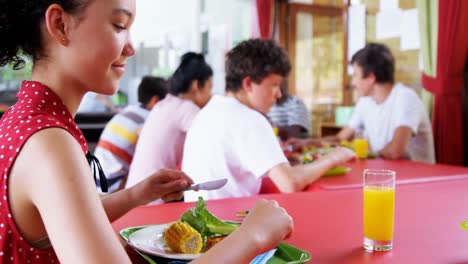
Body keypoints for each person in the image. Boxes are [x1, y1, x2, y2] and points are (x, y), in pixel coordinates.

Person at [0, 1, 293, 263]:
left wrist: (139, 194)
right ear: (60, 25)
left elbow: (59, 217)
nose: (131, 48)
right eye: (119, 25)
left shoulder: (24, 119)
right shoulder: (50, 141)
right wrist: (253, 236)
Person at [182, 39, 355, 202]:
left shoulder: (209, 111)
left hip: (198, 221)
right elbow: (289, 183)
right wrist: (333, 158)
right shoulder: (249, 118)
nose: (279, 94)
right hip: (229, 224)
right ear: (248, 84)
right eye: (274, 84)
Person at [289, 43, 435, 163]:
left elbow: (395, 151)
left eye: (356, 75)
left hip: (416, 178)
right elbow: (340, 138)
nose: (353, 82)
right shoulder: (365, 103)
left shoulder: (405, 97)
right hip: (386, 173)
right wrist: (308, 143)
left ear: (371, 77)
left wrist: (361, 152)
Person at [126, 52, 213, 190]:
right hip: (153, 198)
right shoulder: (187, 109)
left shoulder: (164, 104)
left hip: (134, 192)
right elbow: (210, 143)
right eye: (210, 87)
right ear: (197, 85)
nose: (211, 95)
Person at [94, 76, 168, 192]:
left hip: (96, 180)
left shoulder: (128, 110)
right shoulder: (149, 121)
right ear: (155, 101)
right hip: (113, 184)